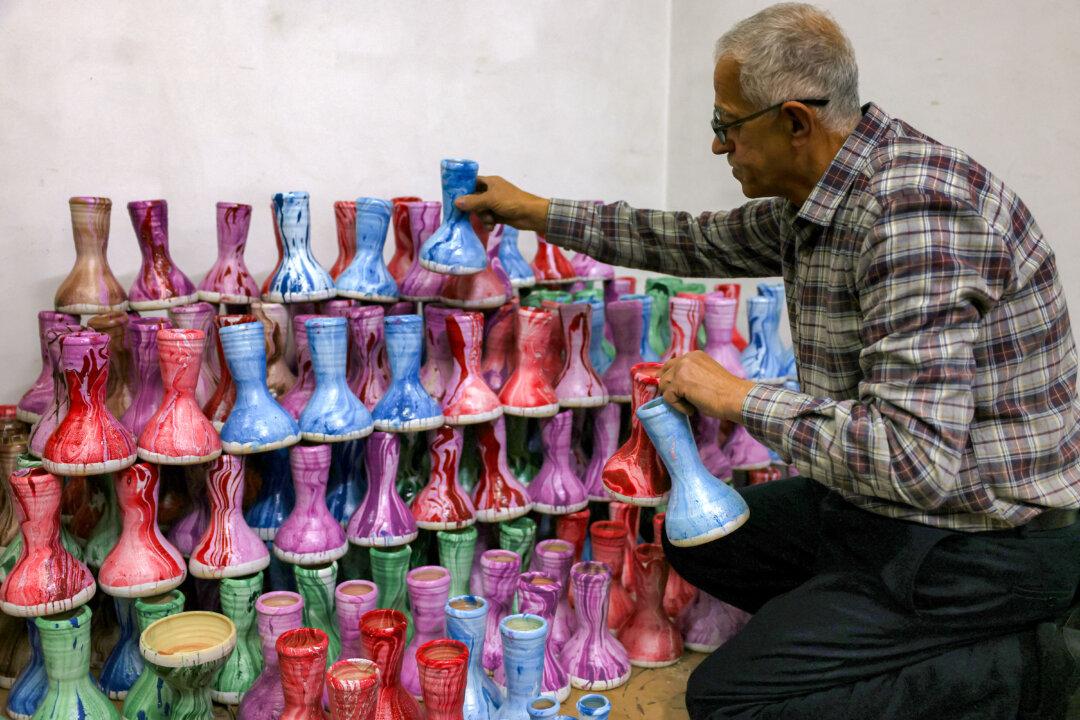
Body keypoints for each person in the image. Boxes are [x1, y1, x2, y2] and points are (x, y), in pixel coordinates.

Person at [455, 3, 1080, 718]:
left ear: (794, 121)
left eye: (727, 125)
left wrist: (738, 398)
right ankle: (875, 634)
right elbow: (686, 240)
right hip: (880, 506)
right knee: (704, 538)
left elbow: (913, 458)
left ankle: (1011, 668)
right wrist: (536, 211)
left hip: (980, 543)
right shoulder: (821, 199)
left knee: (728, 701)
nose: (719, 147)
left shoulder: (917, 215)